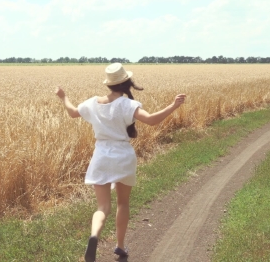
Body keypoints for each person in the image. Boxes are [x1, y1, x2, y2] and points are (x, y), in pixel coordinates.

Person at [55, 63, 186, 262]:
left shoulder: (92, 103)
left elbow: (73, 112)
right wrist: (173, 105)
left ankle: (94, 236)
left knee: (102, 208)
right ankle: (120, 246)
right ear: (127, 82)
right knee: (123, 203)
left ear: (108, 84)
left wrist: (63, 96)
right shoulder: (127, 104)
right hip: (123, 156)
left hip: (101, 157)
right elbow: (151, 120)